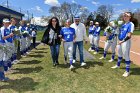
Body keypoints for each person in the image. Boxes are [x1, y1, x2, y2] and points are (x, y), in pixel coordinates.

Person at [111, 12, 134, 77]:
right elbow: (119, 32)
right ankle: (118, 65)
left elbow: (129, 35)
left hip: (126, 42)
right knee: (119, 54)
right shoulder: (123, 25)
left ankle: (127, 71)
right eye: (124, 15)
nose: (125, 16)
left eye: (127, 15)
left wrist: (122, 41)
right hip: (120, 41)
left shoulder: (130, 24)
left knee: (126, 56)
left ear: (130, 17)